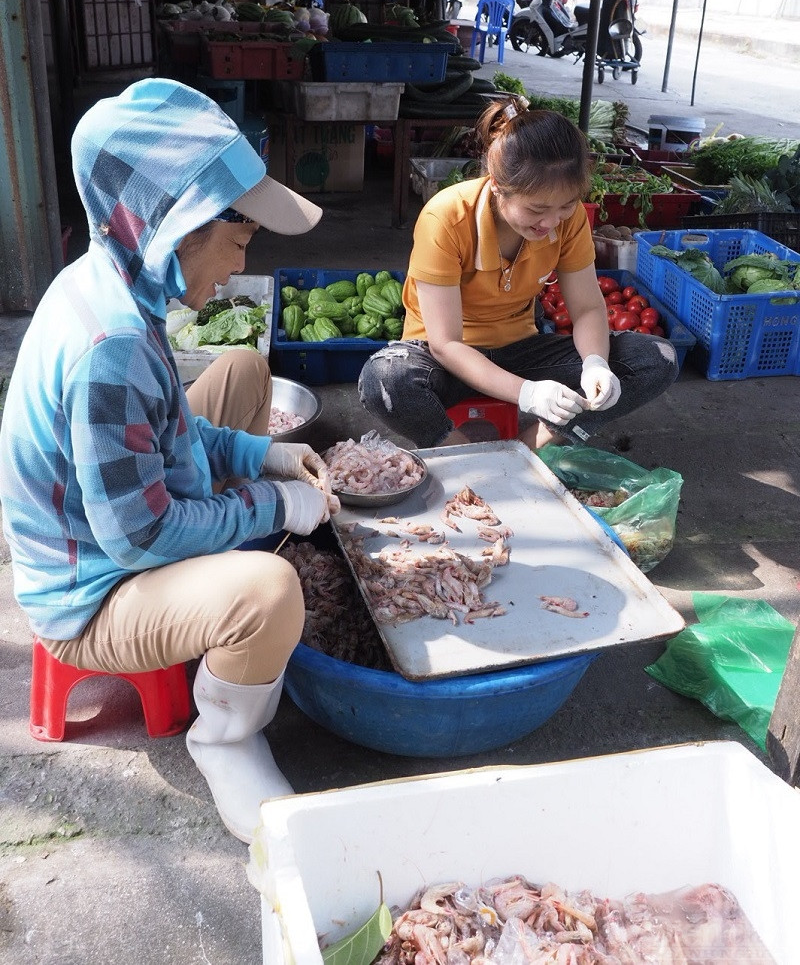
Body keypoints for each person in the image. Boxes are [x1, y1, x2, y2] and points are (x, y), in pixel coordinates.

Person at [0, 77, 335, 845]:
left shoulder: (118, 284)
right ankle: (225, 737)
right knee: (271, 588)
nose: (236, 268)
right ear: (175, 226)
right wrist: (274, 507)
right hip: (92, 593)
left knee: (247, 372)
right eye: (240, 240)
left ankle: (228, 597)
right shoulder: (111, 346)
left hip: (119, 524)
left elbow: (173, 426)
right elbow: (140, 539)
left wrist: (268, 455)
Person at [359, 96, 679, 450]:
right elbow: (445, 344)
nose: (551, 221)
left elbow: (587, 307)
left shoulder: (566, 220)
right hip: (442, 359)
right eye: (537, 209)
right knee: (384, 379)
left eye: (566, 205)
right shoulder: (446, 217)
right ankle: (463, 451)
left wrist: (595, 363)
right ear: (497, 185)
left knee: (656, 359)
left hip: (519, 348)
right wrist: (527, 393)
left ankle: (529, 446)